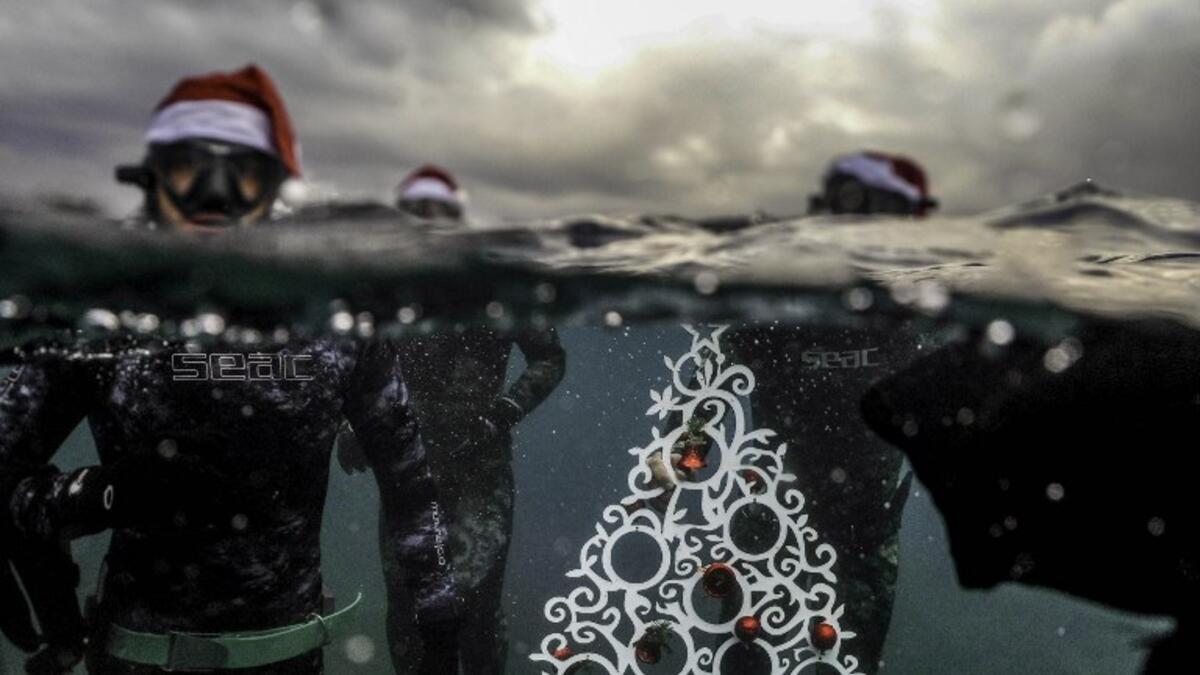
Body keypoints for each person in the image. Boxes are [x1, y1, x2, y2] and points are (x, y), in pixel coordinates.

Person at [1, 65, 462, 675]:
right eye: (189, 170)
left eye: (241, 174)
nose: (213, 200)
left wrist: (438, 615)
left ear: (275, 191)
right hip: (137, 661)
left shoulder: (338, 322)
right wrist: (99, 493)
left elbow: (410, 480)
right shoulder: (103, 320)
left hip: (289, 658)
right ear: (153, 182)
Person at [339, 164, 567, 675]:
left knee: (476, 607)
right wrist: (352, 424)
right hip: (410, 460)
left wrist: (505, 411)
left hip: (476, 460)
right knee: (408, 608)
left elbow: (550, 357)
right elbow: (358, 362)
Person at [808, 150, 938, 217]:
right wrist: (915, 196)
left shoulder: (859, 160)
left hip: (841, 177)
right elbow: (885, 180)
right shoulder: (881, 165)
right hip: (848, 180)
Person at [394, 165, 467, 222]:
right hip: (437, 195)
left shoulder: (426, 175)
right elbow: (455, 189)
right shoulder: (440, 176)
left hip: (417, 193)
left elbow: (402, 187)